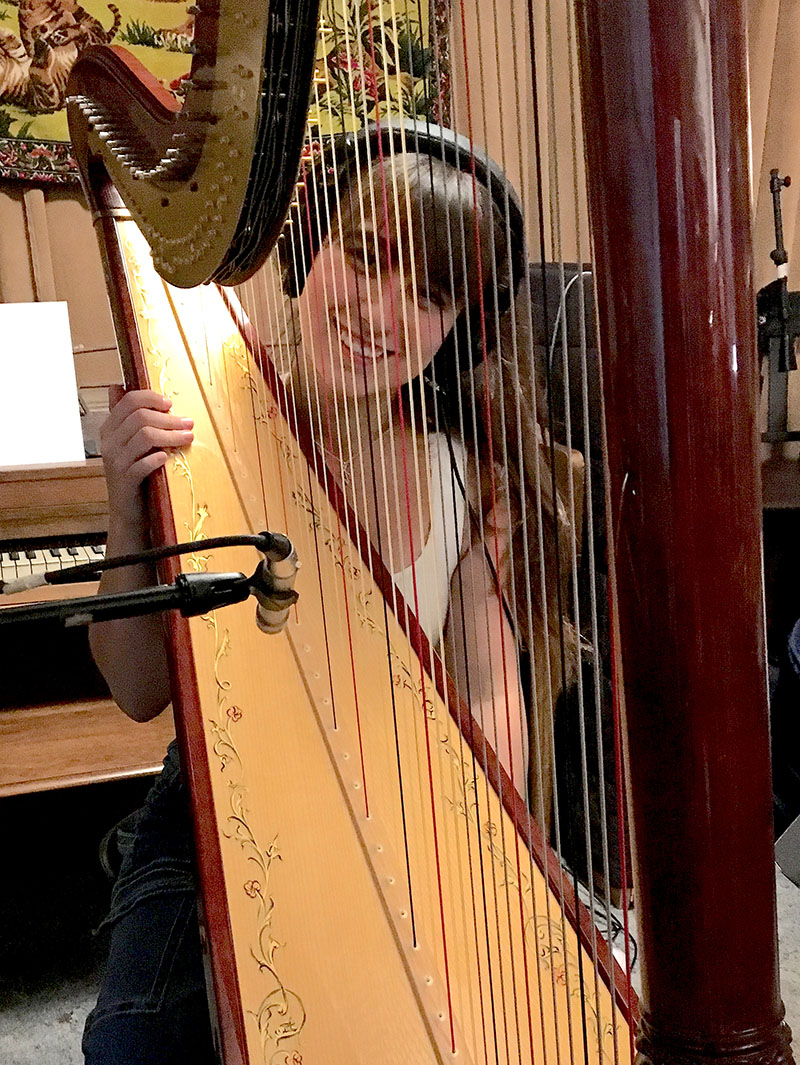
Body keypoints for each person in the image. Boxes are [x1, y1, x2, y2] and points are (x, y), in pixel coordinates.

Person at [82, 134, 570, 1063]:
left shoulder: (461, 471)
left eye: (427, 294)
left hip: (413, 791)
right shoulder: (201, 420)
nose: (380, 312)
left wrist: (494, 852)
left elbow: (492, 682)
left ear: (455, 329)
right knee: (134, 1048)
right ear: (310, 247)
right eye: (366, 253)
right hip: (209, 803)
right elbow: (139, 691)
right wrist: (125, 501)